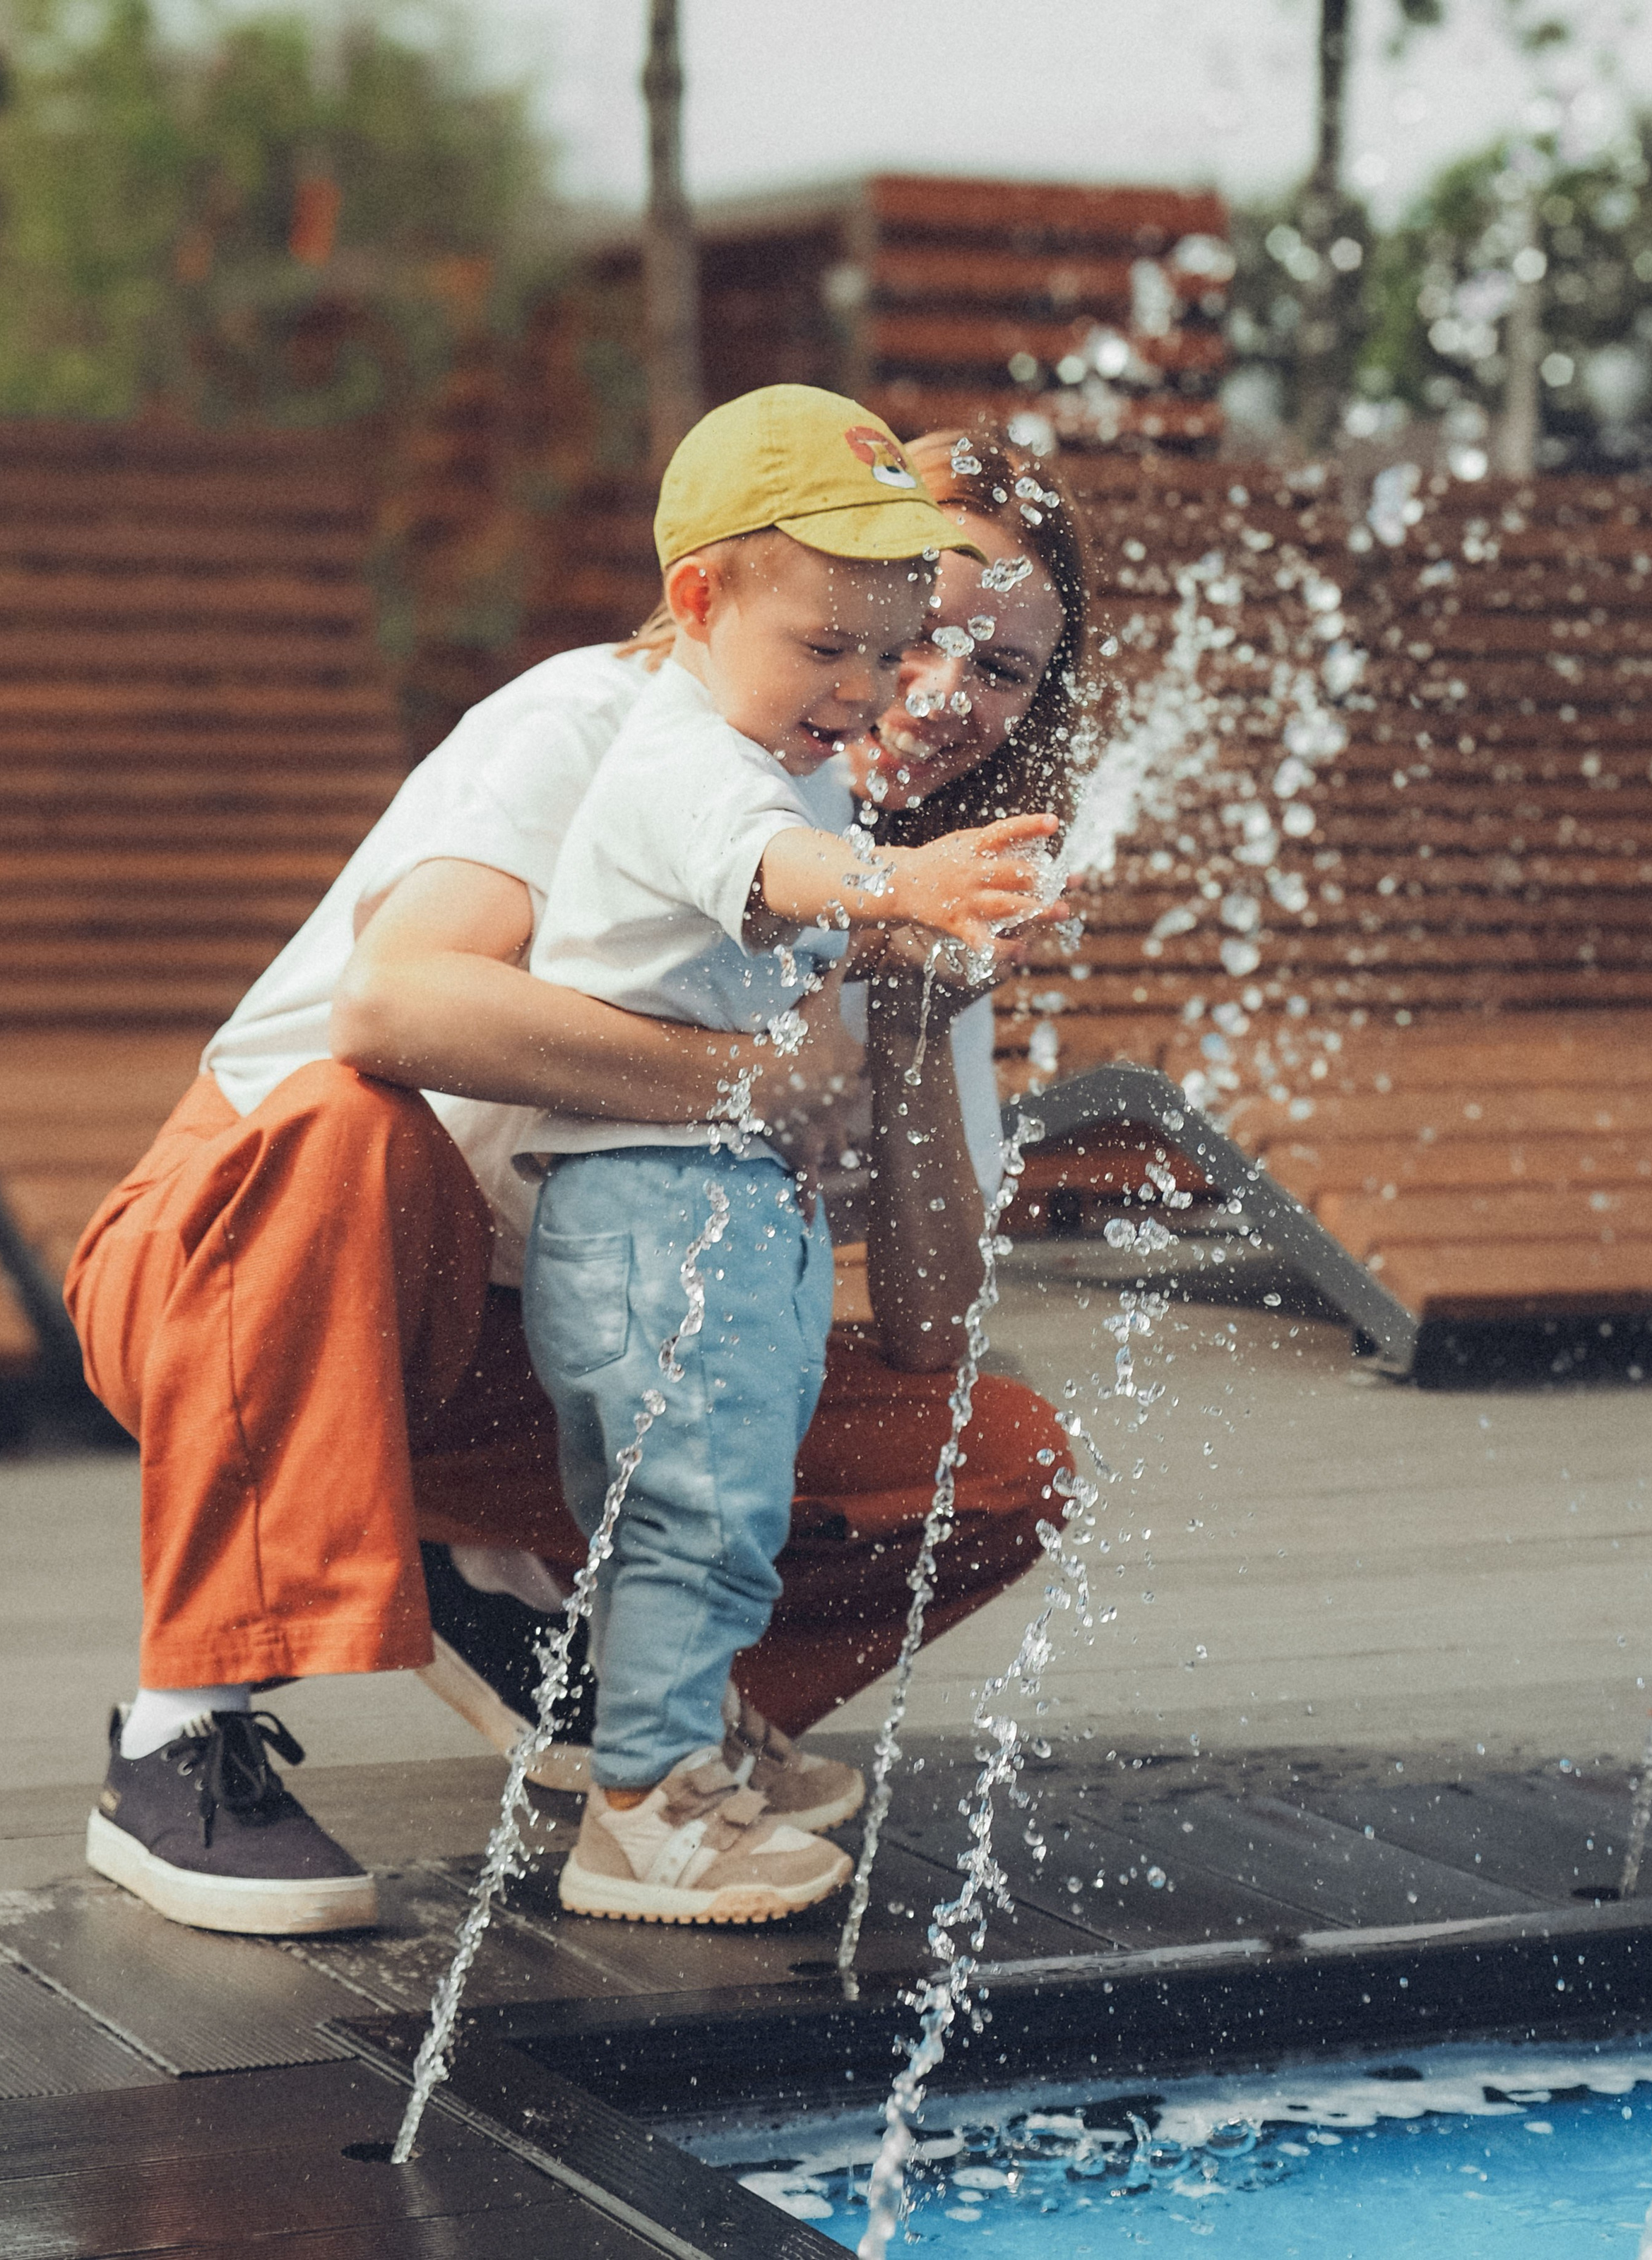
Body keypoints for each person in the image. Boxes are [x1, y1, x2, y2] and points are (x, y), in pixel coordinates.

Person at [64, 408, 1089, 1939]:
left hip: (546, 1347)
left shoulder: (903, 874)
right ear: (772, 593)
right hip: (252, 1273)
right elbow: (389, 1006)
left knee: (995, 1455)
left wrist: (912, 1020)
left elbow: (932, 1325)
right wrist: (751, 1086)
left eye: (996, 668)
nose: (928, 688)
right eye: (914, 623)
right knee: (363, 1126)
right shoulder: (598, 724)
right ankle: (177, 1731)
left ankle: (630, 1712)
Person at [511, 388, 1058, 1925]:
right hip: (649, 1204)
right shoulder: (686, 757)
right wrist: (899, 884)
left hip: (712, 1207)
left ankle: (662, 1750)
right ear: (698, 600)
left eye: (888, 653)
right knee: (693, 1503)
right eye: (835, 651)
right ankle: (645, 1810)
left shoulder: (782, 748)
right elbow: (773, 869)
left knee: (706, 1500)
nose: (875, 689)